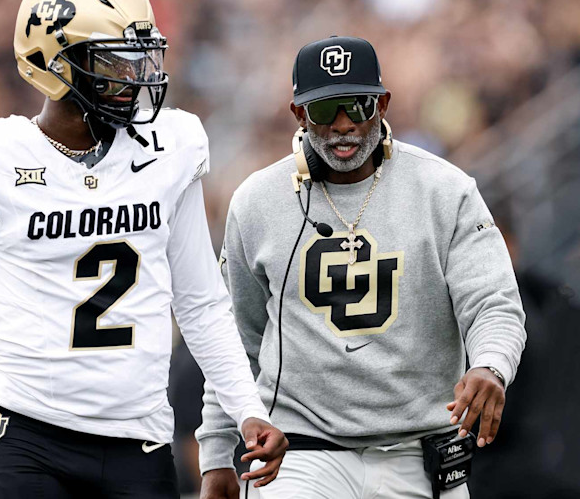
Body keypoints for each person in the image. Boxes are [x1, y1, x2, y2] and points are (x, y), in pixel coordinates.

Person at [0, 0, 287, 498]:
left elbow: (199, 302)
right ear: (51, 64)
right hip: (23, 431)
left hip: (136, 436)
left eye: (140, 54)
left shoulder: (170, 148)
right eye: (113, 58)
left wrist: (246, 410)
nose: (135, 73)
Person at [196, 36, 526, 499]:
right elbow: (235, 342)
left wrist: (491, 365)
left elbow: (493, 303)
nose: (343, 125)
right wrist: (215, 453)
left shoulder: (445, 190)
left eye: (357, 104)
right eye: (325, 110)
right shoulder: (257, 201)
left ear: (383, 104)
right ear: (298, 114)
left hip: (420, 450)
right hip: (300, 451)